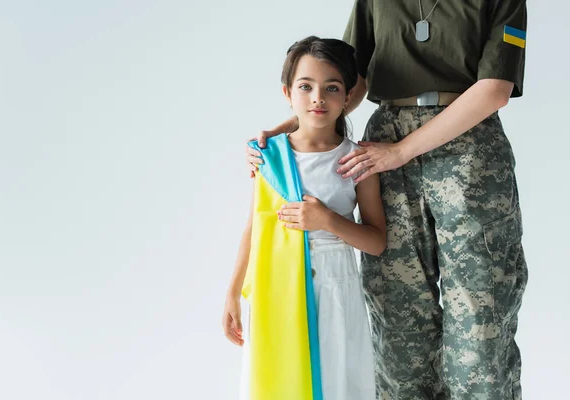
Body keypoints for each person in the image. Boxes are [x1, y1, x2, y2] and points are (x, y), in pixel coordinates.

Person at [245, 1, 529, 399]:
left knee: (480, 315)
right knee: (399, 318)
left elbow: (495, 89)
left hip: (469, 147)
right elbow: (345, 78)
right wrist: (288, 133)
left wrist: (402, 152)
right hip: (384, 143)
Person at [223, 36, 386, 400]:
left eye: (332, 87)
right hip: (276, 287)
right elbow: (255, 227)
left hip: (336, 288)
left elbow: (376, 242)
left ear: (347, 97)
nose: (318, 98)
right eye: (306, 86)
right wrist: (233, 292)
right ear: (287, 93)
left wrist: (328, 220)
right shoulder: (269, 157)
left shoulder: (357, 160)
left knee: (337, 382)